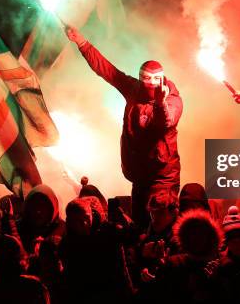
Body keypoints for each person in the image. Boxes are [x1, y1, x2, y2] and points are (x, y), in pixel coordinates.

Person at [65, 26, 183, 228]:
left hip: (163, 179)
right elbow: (108, 71)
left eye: (155, 79)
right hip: (139, 175)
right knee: (140, 227)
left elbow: (165, 122)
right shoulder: (133, 89)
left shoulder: (173, 100)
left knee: (161, 227)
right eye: (145, 78)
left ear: (162, 79)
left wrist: (161, 102)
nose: (150, 84)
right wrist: (83, 44)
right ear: (139, 78)